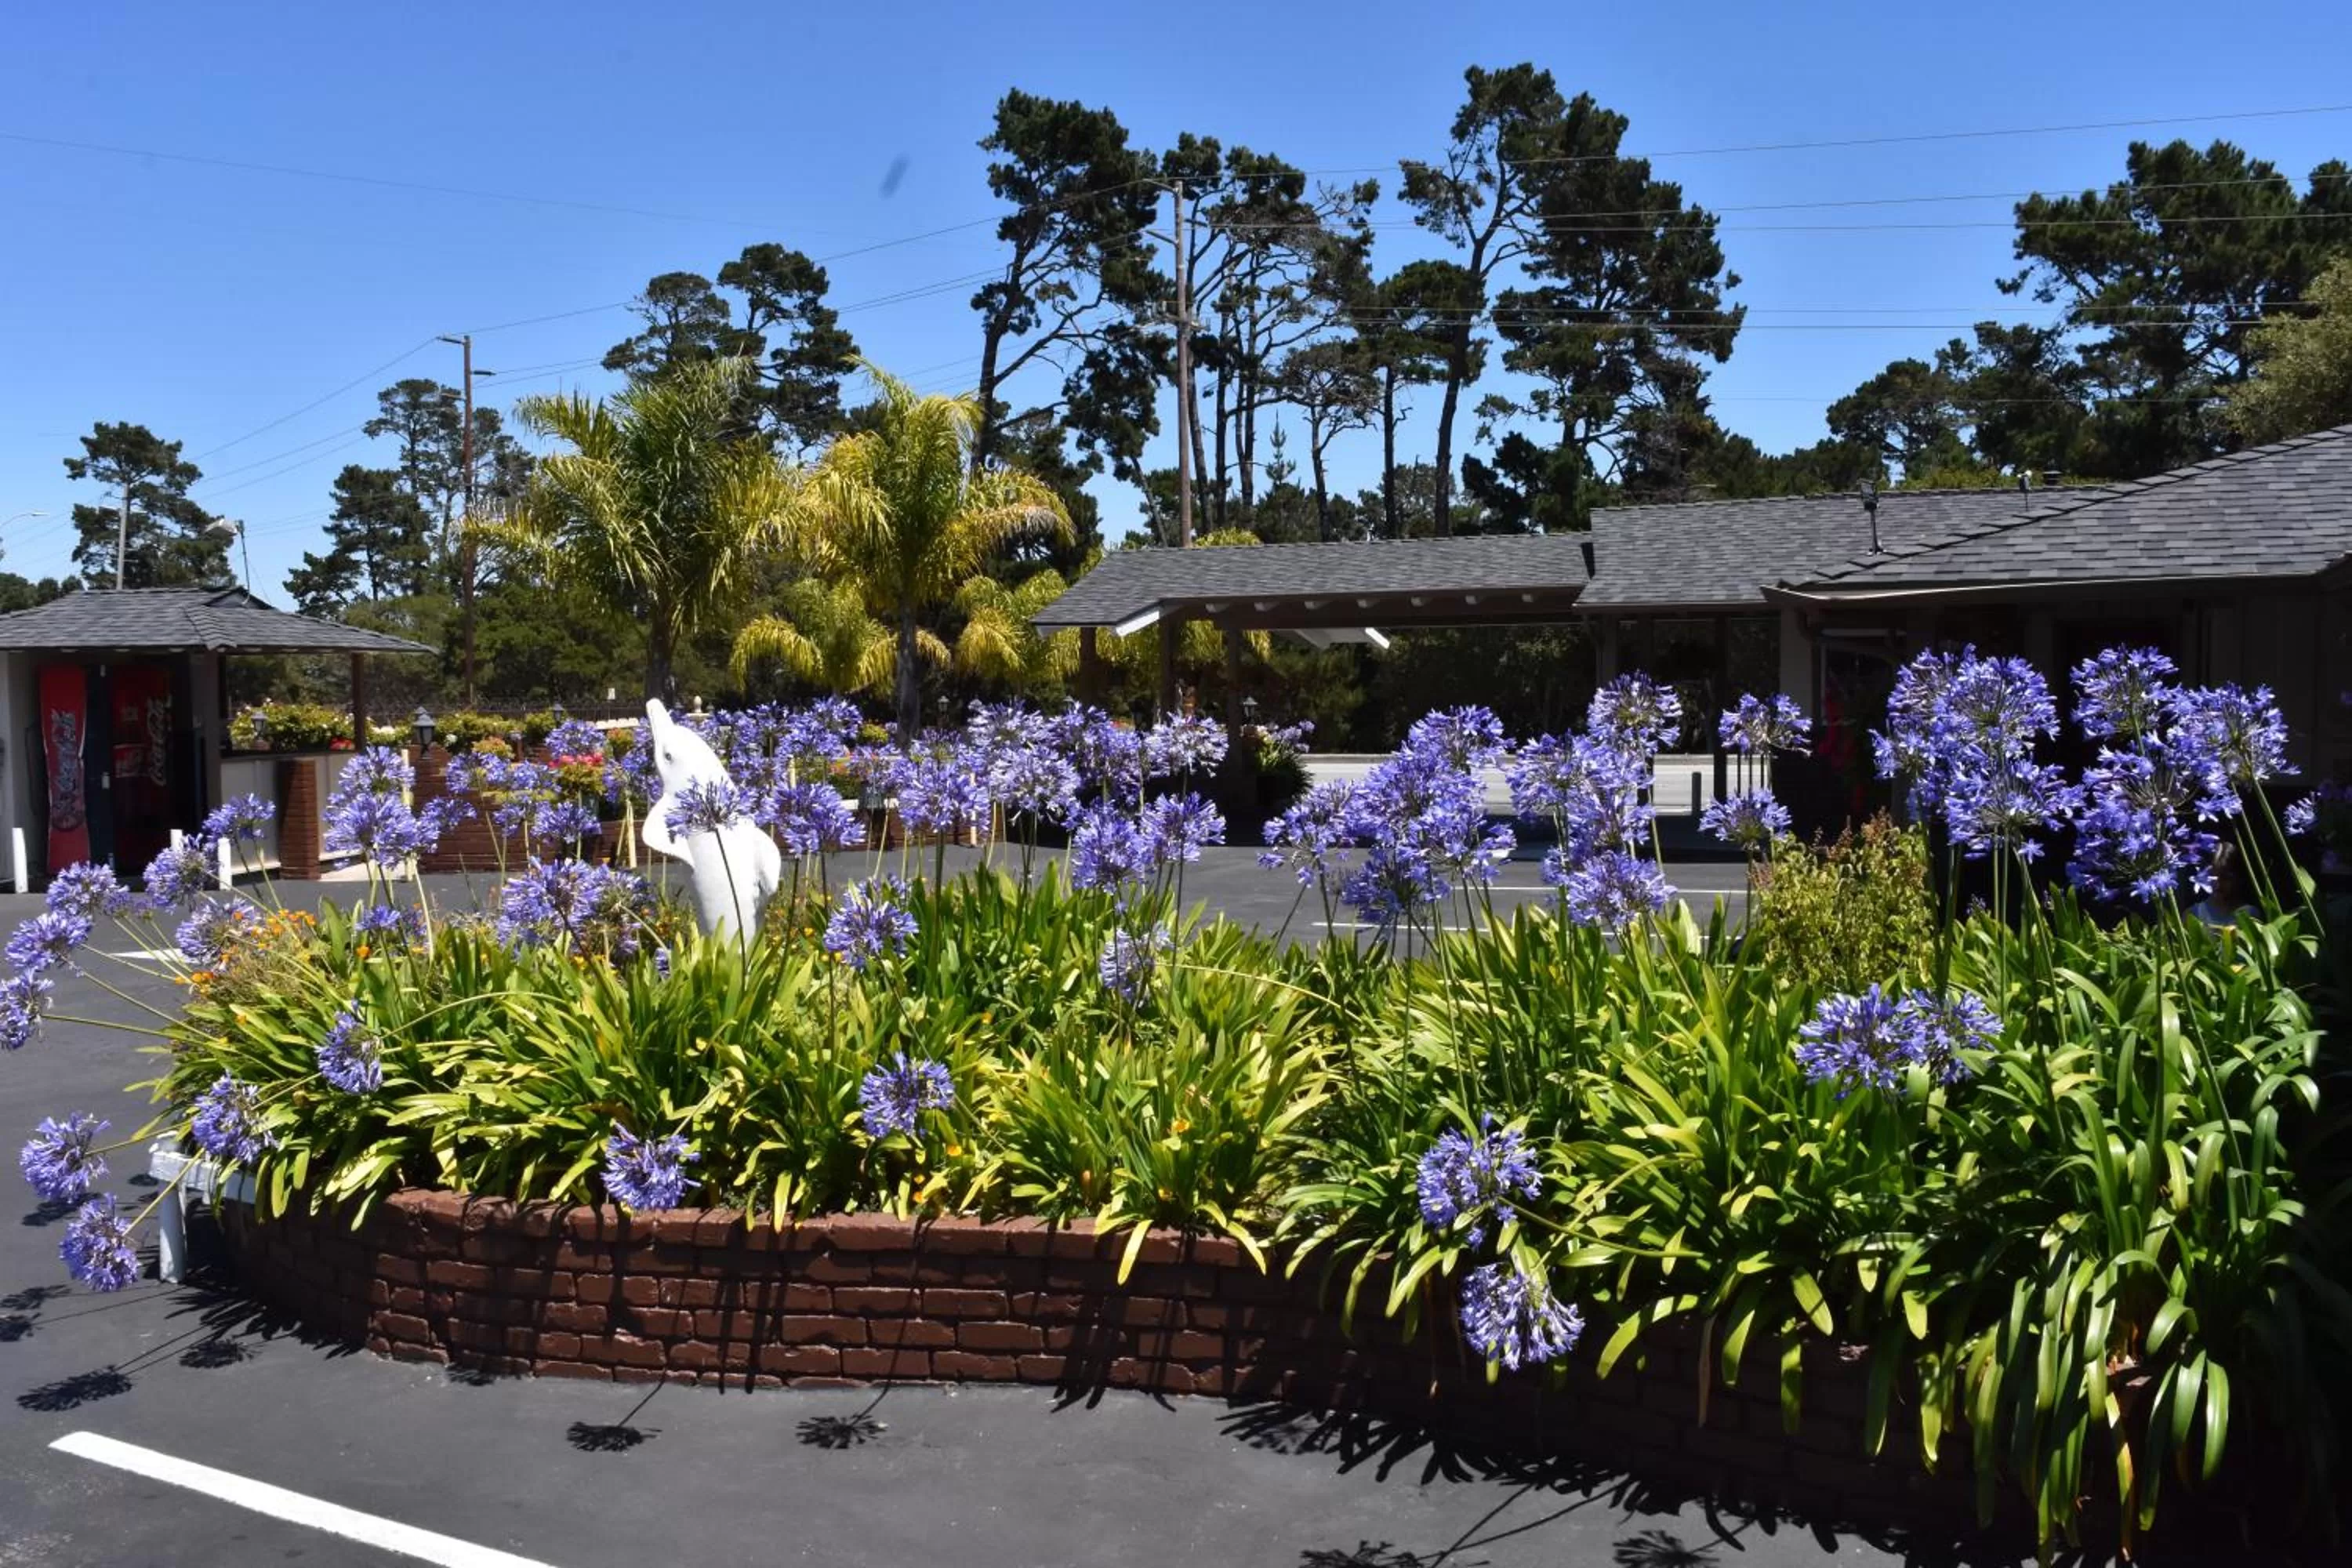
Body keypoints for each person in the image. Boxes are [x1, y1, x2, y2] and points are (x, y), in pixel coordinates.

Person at [2190, 842, 2252, 926]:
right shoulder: (2193, 915)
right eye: (2212, 877)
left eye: (2226, 878)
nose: (2218, 884)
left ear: (2239, 878)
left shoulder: (2250, 914)